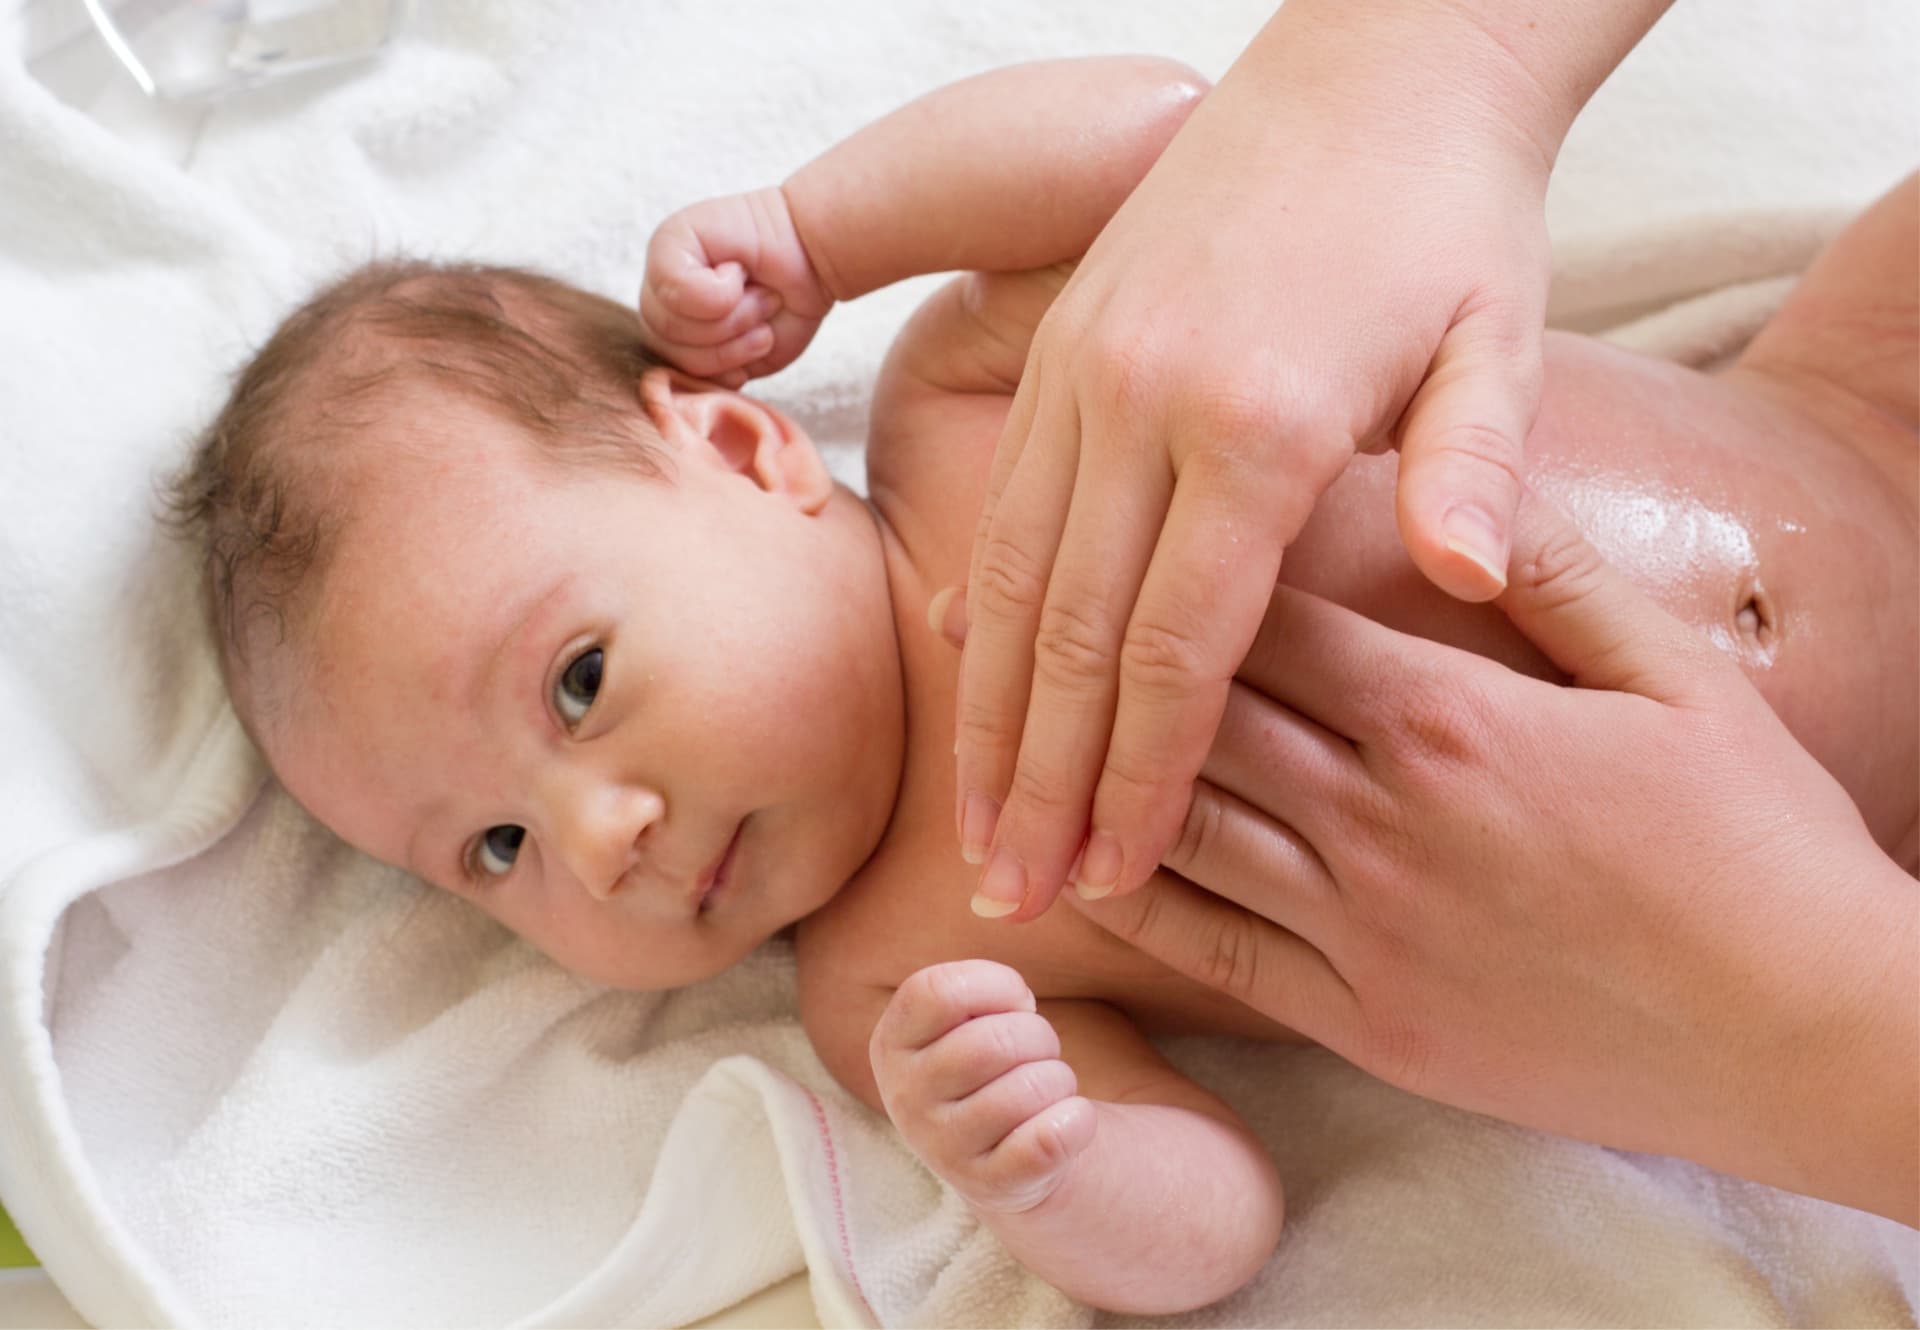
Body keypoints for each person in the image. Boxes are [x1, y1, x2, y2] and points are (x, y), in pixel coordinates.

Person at [164, 60, 1914, 1319]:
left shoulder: (975, 399)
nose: (595, 835)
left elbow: (1179, 149)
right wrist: (1051, 1166)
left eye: (580, 681)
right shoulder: (907, 979)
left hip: (1860, 390)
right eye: (488, 851)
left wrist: (827, 226)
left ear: (743, 443)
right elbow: (1219, 1218)